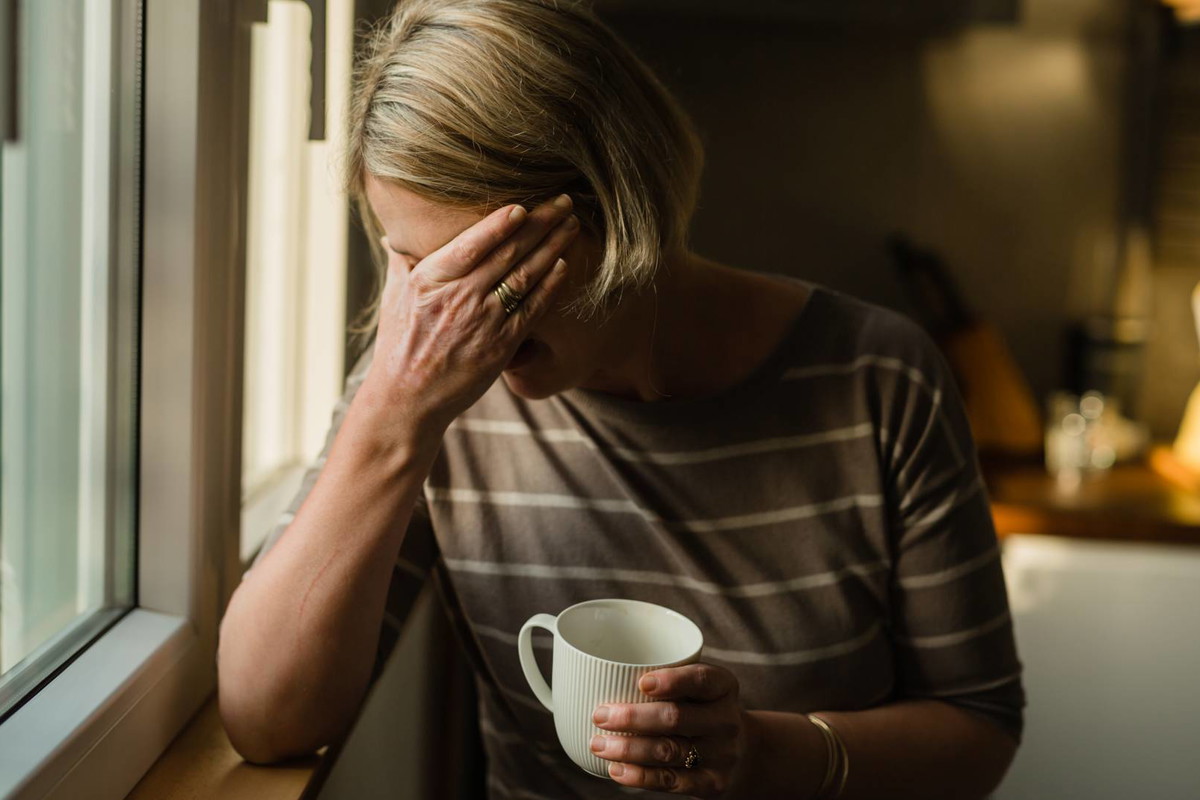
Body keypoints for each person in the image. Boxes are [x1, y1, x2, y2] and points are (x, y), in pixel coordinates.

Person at [217, 1, 1025, 798]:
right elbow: (267, 718)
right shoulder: (422, 384)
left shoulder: (880, 379)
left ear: (621, 203)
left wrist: (764, 757)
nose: (461, 321)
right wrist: (391, 421)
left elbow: (977, 727)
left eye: (498, 271)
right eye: (419, 268)